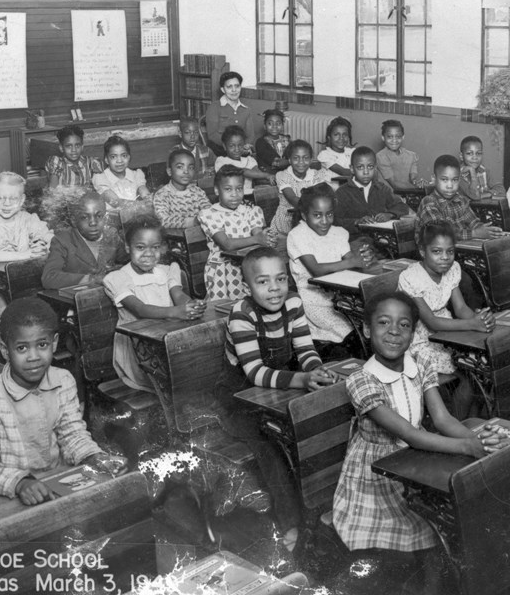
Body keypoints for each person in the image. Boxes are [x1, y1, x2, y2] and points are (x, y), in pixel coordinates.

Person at [333, 291, 507, 592]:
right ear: (366, 329)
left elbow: (443, 420)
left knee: (470, 507)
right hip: (377, 473)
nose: (394, 332)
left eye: (404, 325)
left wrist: (482, 445)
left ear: (414, 333)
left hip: (415, 456)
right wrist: (468, 447)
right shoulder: (361, 380)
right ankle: (433, 587)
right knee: (433, 530)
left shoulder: (420, 363)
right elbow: (410, 434)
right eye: (383, 323)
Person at [217, 247, 338, 551]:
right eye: (263, 282)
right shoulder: (241, 315)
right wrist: (301, 379)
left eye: (281, 279)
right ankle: (290, 522)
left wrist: (317, 370)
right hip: (240, 401)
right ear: (247, 286)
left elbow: (305, 349)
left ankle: (326, 506)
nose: (274, 288)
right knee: (271, 447)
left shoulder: (294, 302)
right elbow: (255, 372)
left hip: (279, 387)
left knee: (320, 422)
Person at [0, 298, 127, 504]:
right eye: (22, 348)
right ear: (5, 350)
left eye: (42, 345)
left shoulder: (63, 381)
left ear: (55, 343)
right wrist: (20, 483)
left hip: (53, 486)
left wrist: (94, 457)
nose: (33, 356)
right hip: (5, 496)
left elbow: (72, 435)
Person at [397, 221, 493, 418]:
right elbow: (431, 322)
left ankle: (470, 421)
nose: (445, 258)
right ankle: (457, 424)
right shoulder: (410, 277)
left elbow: (461, 308)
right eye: (437, 251)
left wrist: (479, 319)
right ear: (423, 251)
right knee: (472, 374)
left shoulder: (453, 269)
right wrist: (471, 324)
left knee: (480, 370)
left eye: (450, 252)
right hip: (419, 341)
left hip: (449, 332)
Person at [103, 215, 206, 392]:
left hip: (167, 339)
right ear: (128, 247)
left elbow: (178, 294)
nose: (149, 253)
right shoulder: (118, 278)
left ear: (162, 248)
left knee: (201, 362)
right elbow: (140, 309)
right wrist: (176, 312)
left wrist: (191, 305)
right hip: (140, 351)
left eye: (155, 247)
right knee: (186, 375)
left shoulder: (167, 271)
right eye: (140, 247)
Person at [287, 183, 371, 358]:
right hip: (314, 300)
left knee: (370, 324)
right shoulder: (298, 235)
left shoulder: (338, 233)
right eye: (317, 215)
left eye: (329, 215)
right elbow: (316, 270)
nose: (324, 221)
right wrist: (351, 262)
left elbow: (351, 261)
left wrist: (363, 259)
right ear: (304, 215)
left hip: (341, 295)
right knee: (351, 331)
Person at [0, 172, 53, 311]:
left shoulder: (28, 219)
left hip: (23, 284)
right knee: (6, 313)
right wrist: (27, 254)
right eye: (0, 198)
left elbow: (51, 240)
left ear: (22, 199)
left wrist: (44, 247)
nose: (7, 204)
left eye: (13, 198)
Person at [198, 165, 272, 301]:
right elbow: (227, 244)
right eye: (228, 189)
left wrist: (266, 238)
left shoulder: (251, 211)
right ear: (216, 190)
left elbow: (260, 236)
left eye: (239, 189)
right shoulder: (210, 214)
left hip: (249, 265)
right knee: (227, 310)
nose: (234, 194)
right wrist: (257, 239)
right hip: (223, 270)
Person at [41, 190, 126, 289]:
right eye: (85, 217)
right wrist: (91, 279)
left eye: (99, 216)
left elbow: (128, 262)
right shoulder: (62, 241)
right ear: (73, 220)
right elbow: (49, 277)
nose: (93, 223)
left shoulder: (111, 236)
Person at [415, 154, 504, 245]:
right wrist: (475, 233)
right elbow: (440, 233)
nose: (450, 186)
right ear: (434, 178)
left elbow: (473, 222)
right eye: (444, 180)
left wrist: (487, 230)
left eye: (455, 180)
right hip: (435, 254)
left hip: (457, 250)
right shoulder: (429, 202)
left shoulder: (461, 200)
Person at [334, 146, 409, 241]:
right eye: (360, 167)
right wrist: (356, 222)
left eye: (370, 167)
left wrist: (389, 214)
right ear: (352, 169)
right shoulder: (342, 192)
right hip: (355, 239)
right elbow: (335, 220)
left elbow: (402, 206)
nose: (366, 172)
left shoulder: (382, 189)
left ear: (375, 168)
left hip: (382, 239)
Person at [270, 139, 334, 242]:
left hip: (311, 218)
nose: (301, 162)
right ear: (289, 160)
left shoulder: (316, 175)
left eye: (305, 158)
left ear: (311, 159)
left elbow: (323, 195)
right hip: (287, 221)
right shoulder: (283, 175)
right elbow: (293, 199)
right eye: (296, 158)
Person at [153, 149, 211, 228]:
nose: (186, 171)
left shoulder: (197, 191)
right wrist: (193, 222)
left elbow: (209, 212)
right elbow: (162, 220)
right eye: (180, 167)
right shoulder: (162, 195)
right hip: (175, 239)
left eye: (191, 167)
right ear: (169, 171)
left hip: (199, 235)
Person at [92, 136, 150, 211]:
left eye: (124, 156)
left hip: (136, 215)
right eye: (113, 157)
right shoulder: (101, 178)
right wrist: (142, 207)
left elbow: (145, 194)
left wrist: (149, 201)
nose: (119, 160)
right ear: (106, 160)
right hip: (113, 219)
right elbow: (116, 202)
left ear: (129, 157)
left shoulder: (136, 175)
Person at [205, 71, 256, 155]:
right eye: (229, 87)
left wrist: (243, 147)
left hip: (240, 149)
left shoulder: (246, 110)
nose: (234, 90)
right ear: (223, 89)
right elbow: (212, 135)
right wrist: (232, 146)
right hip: (220, 149)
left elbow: (250, 135)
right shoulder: (214, 107)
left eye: (237, 86)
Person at [214, 125, 273, 197]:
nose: (236, 149)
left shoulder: (249, 160)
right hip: (230, 197)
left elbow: (257, 173)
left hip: (249, 195)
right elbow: (242, 171)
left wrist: (269, 177)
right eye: (232, 146)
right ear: (224, 146)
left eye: (240, 145)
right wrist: (267, 175)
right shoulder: (221, 161)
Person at [45, 124, 103, 189]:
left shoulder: (91, 163)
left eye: (77, 145)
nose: (74, 150)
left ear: (82, 147)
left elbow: (100, 187)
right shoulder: (57, 163)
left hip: (86, 197)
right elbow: (53, 191)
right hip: (61, 198)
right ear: (61, 148)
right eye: (69, 146)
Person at [375, 119, 424, 189]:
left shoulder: (411, 155)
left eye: (398, 136)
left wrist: (418, 184)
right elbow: (394, 184)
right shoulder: (381, 156)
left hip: (408, 193)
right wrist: (416, 189)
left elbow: (413, 178)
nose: (394, 140)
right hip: (390, 196)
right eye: (389, 137)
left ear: (403, 137)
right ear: (383, 137)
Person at [459, 135, 492, 200]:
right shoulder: (458, 175)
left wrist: (485, 195)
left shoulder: (484, 171)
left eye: (478, 153)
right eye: (469, 153)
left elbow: (500, 189)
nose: (475, 157)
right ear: (461, 156)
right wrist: (472, 171)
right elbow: (474, 195)